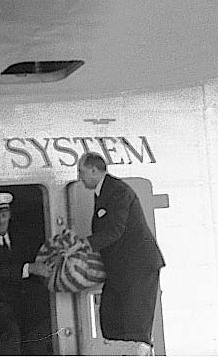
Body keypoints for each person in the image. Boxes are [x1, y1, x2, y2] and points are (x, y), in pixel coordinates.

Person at [77, 152, 165, 356]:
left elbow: (115, 230)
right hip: (121, 270)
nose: (79, 179)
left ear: (94, 170)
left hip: (138, 267)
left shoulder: (118, 191)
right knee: (111, 321)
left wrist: (83, 245)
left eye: (81, 173)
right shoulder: (102, 192)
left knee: (134, 327)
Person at [0, 192, 52, 355]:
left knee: (39, 330)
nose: (1, 220)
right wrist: (29, 268)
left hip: (22, 302)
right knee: (9, 334)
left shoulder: (21, 239)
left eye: (4, 215)